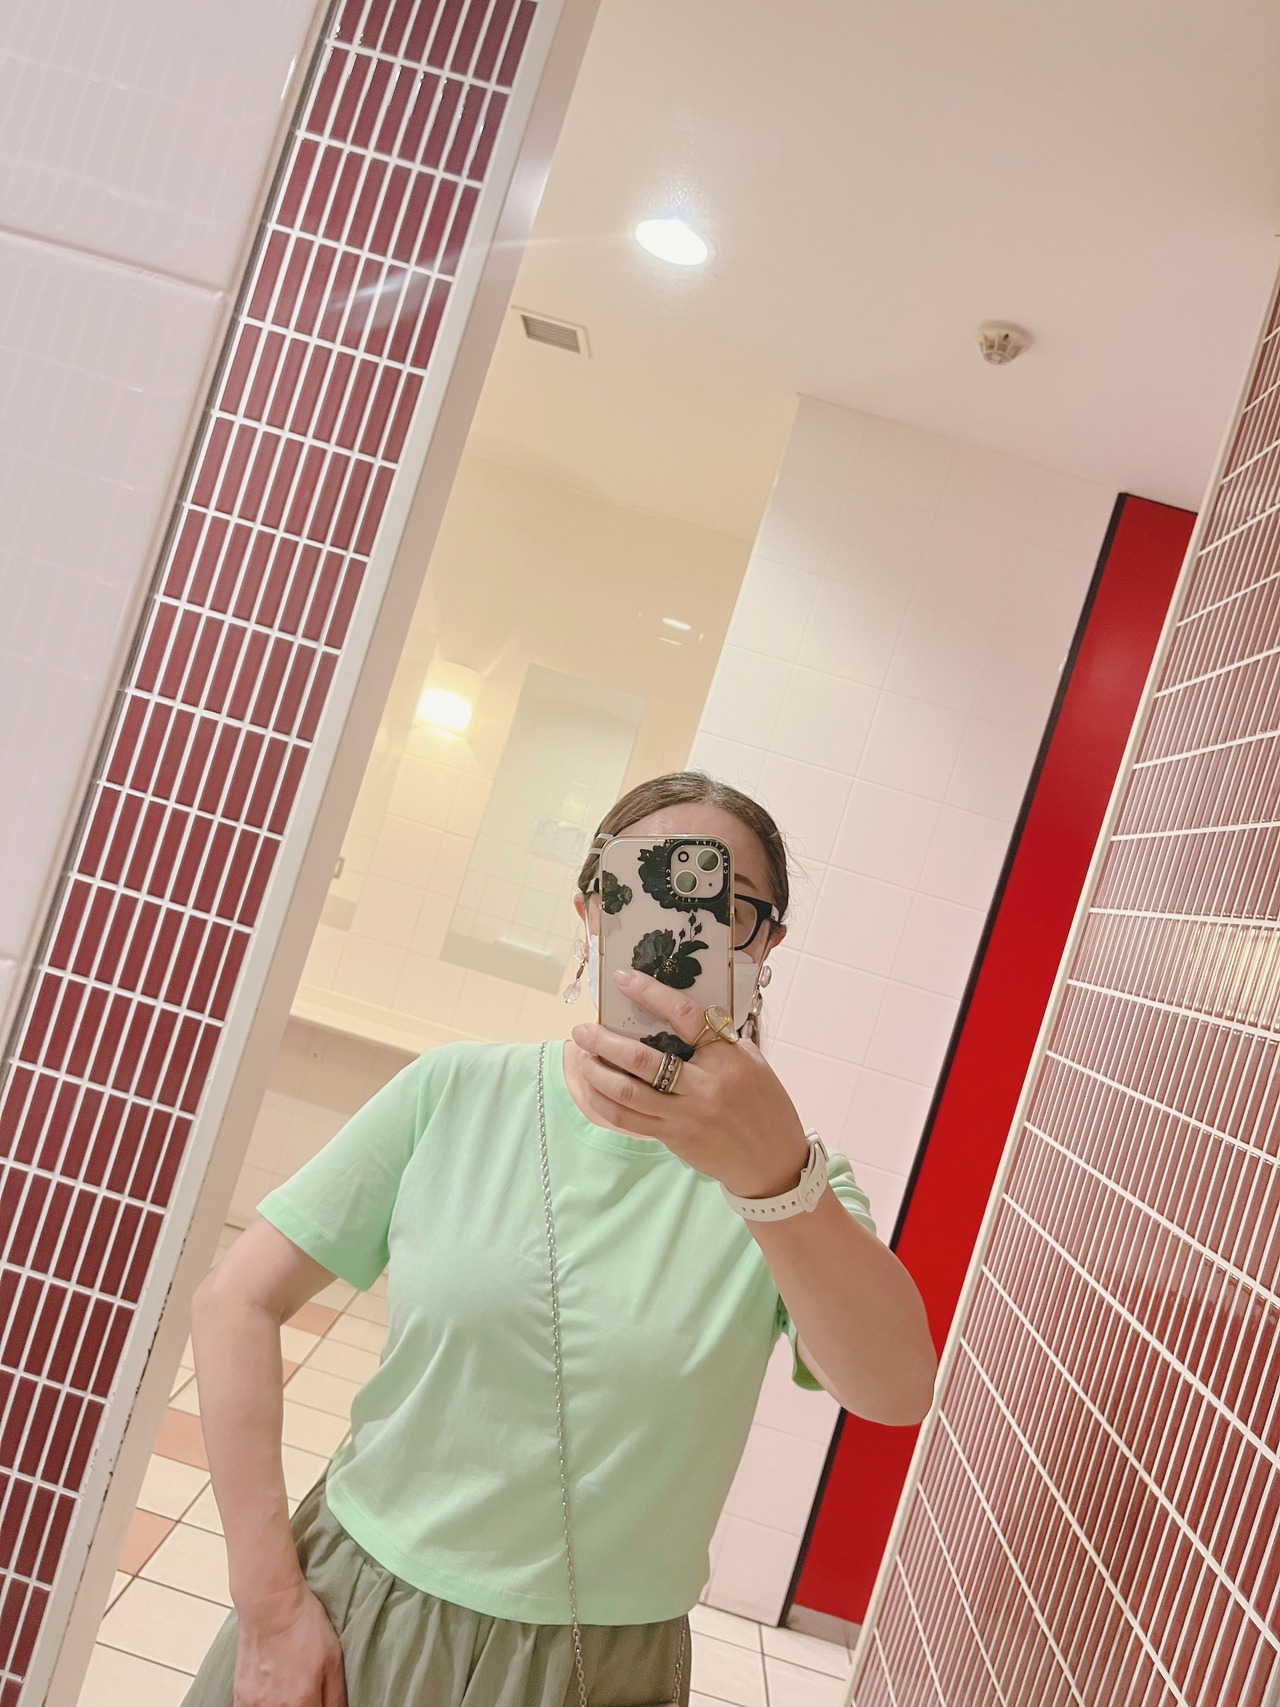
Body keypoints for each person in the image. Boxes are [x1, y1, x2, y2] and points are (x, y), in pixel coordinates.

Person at [183, 771, 937, 1707]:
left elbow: (896, 1390)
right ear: (590, 912)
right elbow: (234, 1299)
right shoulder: (456, 1092)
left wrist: (775, 1177)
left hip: (601, 1669)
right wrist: (269, 1605)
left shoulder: (794, 1186)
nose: (685, 926)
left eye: (727, 905)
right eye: (644, 887)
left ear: (765, 944)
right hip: (357, 1614)